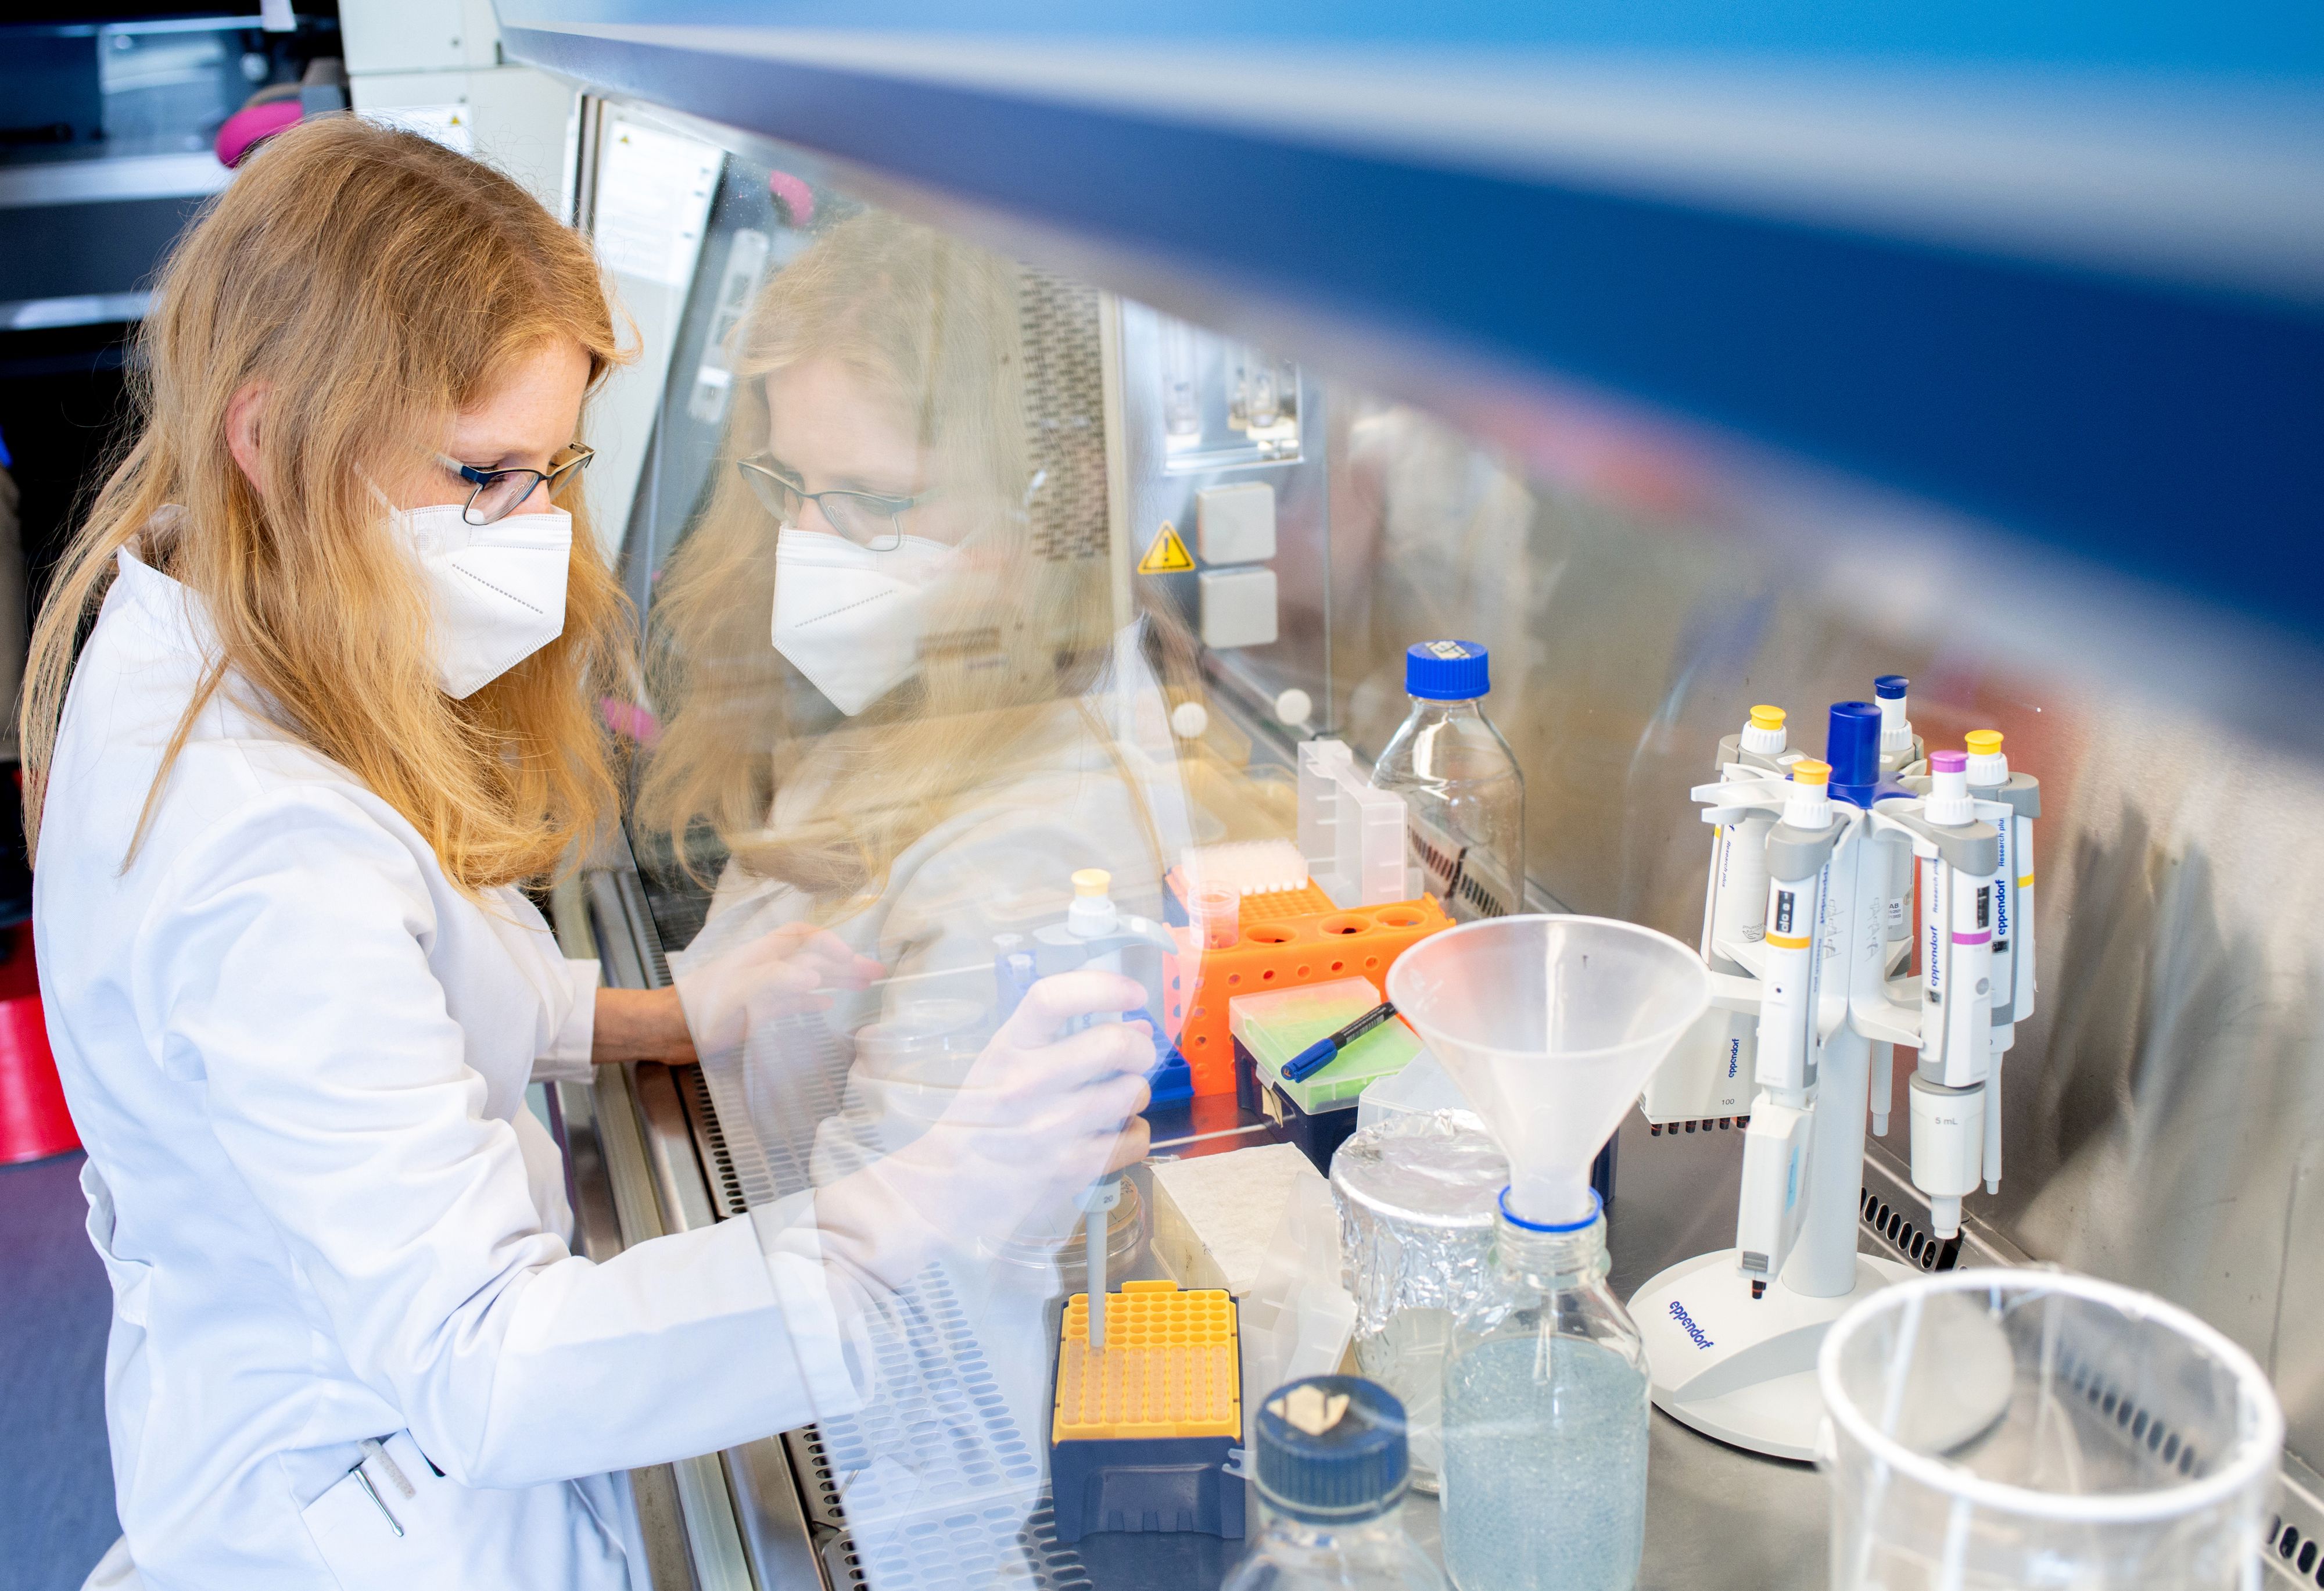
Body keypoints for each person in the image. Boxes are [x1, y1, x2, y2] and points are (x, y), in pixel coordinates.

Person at [23, 117, 1152, 1591]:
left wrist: (643, 1016)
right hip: (377, 1515)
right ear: (271, 435)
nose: (540, 530)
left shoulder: (198, 606)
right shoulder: (260, 852)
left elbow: (400, 976)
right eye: (485, 473)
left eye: (553, 467)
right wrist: (916, 1200)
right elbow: (487, 1366)